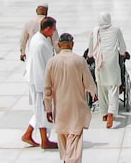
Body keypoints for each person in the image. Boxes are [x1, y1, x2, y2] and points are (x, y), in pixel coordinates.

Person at [44, 32, 97, 163]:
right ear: (72, 44)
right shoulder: (80, 60)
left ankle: (67, 159)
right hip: (76, 107)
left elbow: (47, 89)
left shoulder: (52, 62)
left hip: (60, 108)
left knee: (63, 136)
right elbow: (89, 82)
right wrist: (94, 93)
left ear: (59, 45)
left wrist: (48, 108)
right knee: (75, 136)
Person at [22, 17, 59, 149]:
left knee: (40, 110)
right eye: (54, 29)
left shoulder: (40, 38)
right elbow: (40, 67)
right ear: (47, 29)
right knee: (43, 110)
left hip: (37, 79)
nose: (55, 31)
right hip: (39, 82)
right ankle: (44, 140)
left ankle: (28, 134)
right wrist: (45, 88)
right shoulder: (40, 44)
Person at [89, 12, 128, 128]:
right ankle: (111, 112)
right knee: (113, 87)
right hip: (112, 61)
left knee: (101, 87)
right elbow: (122, 46)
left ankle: (104, 113)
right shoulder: (116, 30)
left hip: (99, 61)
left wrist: (91, 55)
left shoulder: (95, 31)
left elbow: (91, 49)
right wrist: (122, 53)